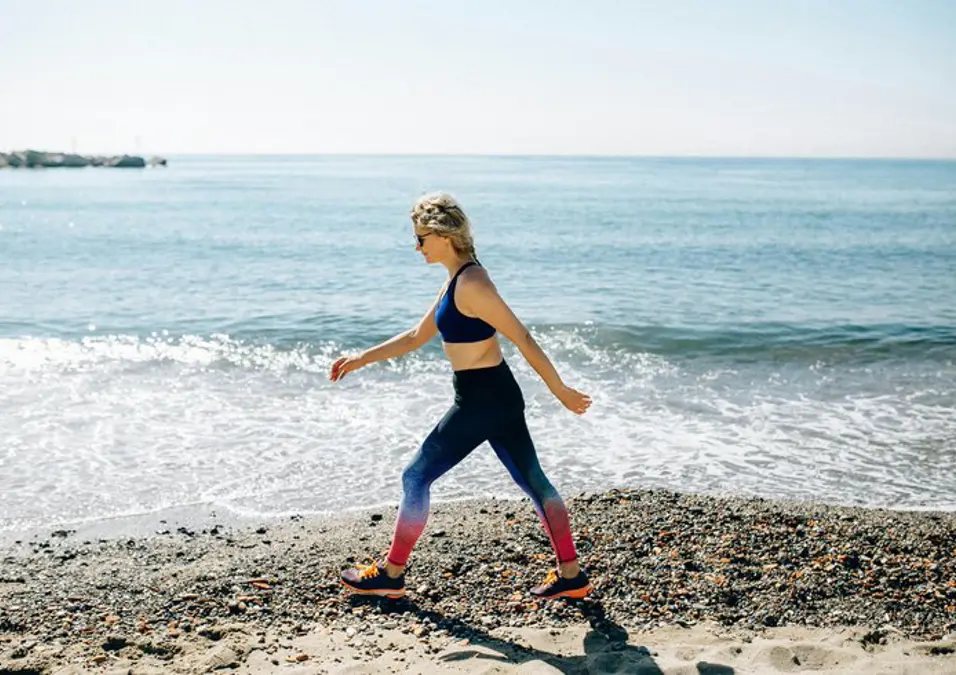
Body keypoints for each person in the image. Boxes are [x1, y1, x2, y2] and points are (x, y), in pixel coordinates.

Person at [330, 191, 593, 600]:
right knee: (535, 483)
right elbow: (417, 337)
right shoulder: (455, 279)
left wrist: (559, 389)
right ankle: (572, 576)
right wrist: (361, 357)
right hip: (491, 396)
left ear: (441, 235)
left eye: (421, 238)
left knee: (415, 475)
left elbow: (521, 335)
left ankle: (391, 575)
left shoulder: (472, 283)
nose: (416, 246)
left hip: (483, 399)